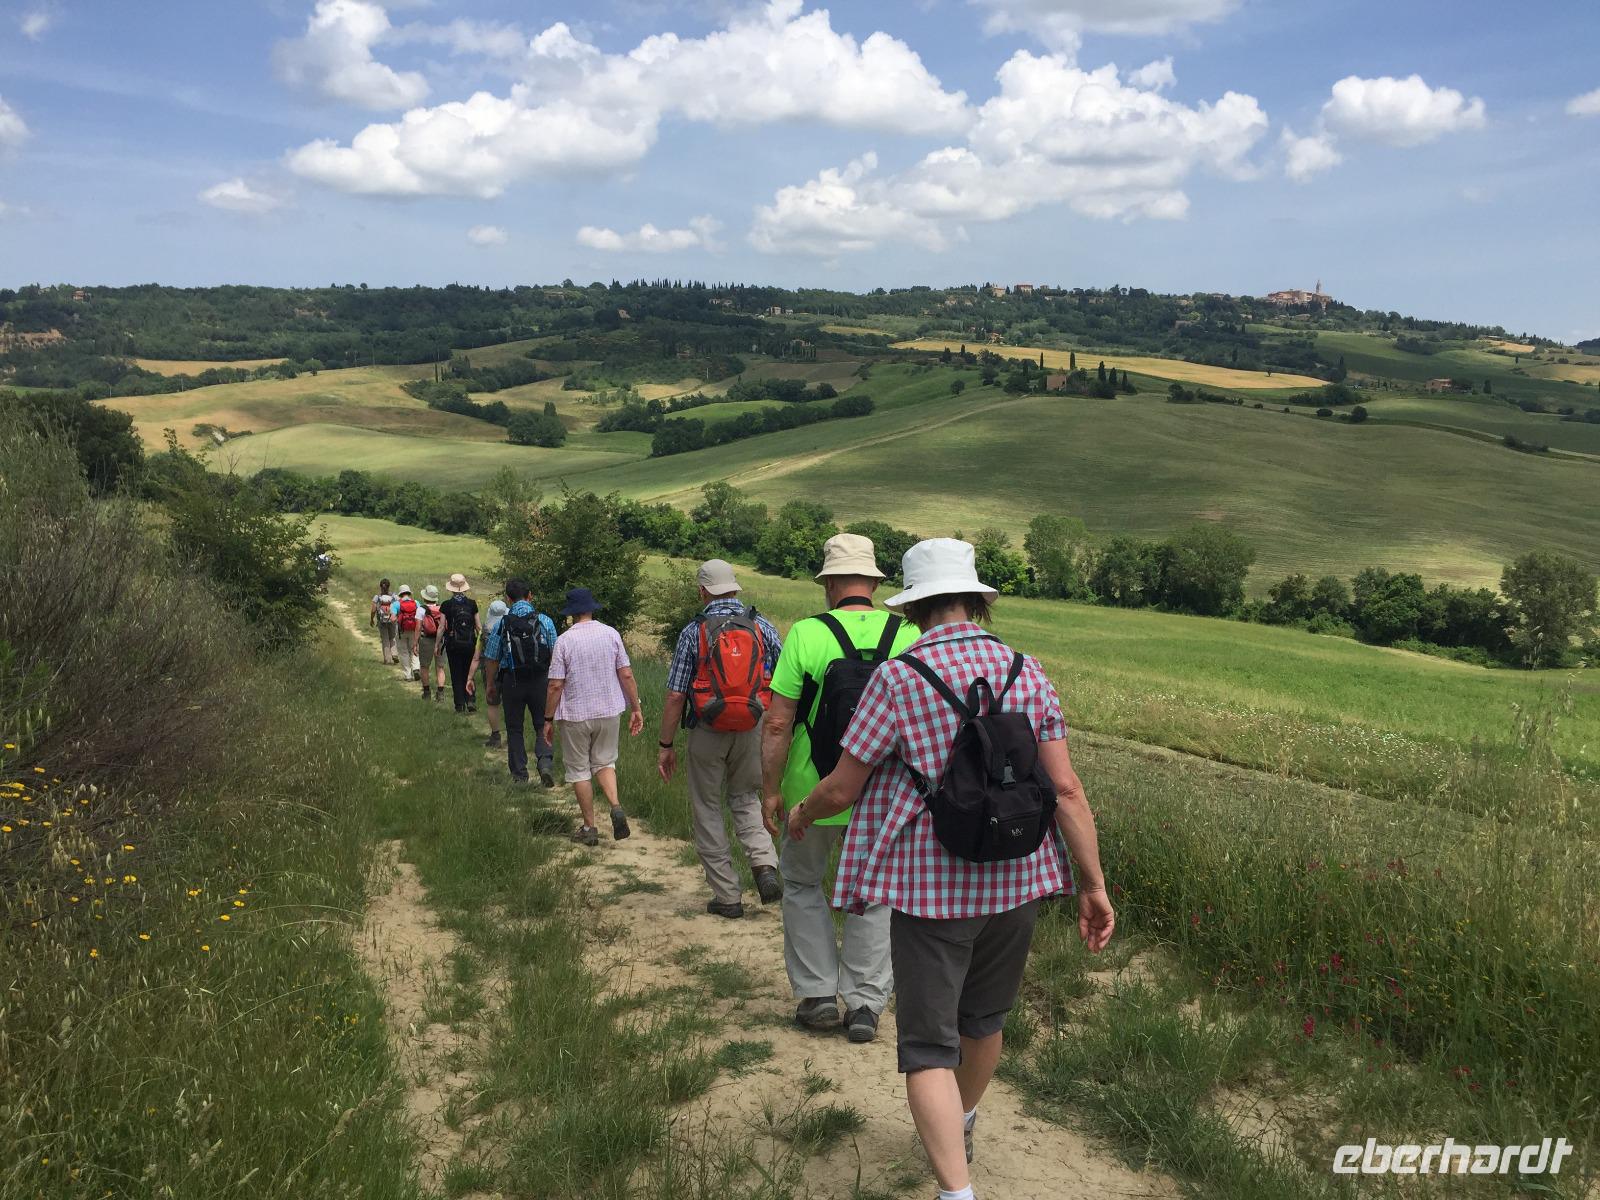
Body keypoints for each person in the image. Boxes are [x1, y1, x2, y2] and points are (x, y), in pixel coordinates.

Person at [788, 539, 1114, 1200]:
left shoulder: (900, 677)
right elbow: (1068, 790)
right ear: (977, 601)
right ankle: (961, 1119)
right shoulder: (1027, 670)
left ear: (913, 605)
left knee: (929, 1047)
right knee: (984, 1023)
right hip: (1020, 879)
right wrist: (1094, 884)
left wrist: (802, 811)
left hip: (931, 891)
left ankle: (955, 1192)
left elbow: (845, 787)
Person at [761, 533, 919, 1043]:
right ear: (873, 582)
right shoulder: (908, 633)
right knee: (874, 896)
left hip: (814, 787)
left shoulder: (806, 634)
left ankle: (818, 996)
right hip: (884, 792)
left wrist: (770, 790)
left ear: (829, 583)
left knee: (804, 885)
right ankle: (866, 1004)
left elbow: (778, 724)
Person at [657, 559, 784, 919]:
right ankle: (764, 866)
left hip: (707, 730)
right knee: (745, 797)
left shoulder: (692, 632)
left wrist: (665, 746)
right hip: (751, 728)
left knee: (708, 808)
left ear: (702, 591)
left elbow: (675, 696)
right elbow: (783, 683)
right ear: (734, 588)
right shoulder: (762, 626)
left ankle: (727, 896)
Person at [541, 587, 645, 847]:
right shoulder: (611, 634)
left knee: (579, 770)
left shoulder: (564, 640)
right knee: (605, 762)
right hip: (609, 710)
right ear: (591, 609)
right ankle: (616, 805)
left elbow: (555, 685)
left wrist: (547, 719)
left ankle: (589, 827)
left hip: (576, 714)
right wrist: (635, 708)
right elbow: (627, 674)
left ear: (571, 614)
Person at [482, 579, 558, 787]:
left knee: (514, 728)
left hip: (512, 681)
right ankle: (544, 763)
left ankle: (519, 775)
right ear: (530, 595)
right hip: (540, 680)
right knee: (542, 723)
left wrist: (490, 684)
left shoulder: (502, 623)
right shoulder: (545, 621)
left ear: (508, 598)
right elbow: (555, 653)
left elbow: (491, 656)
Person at [439, 574, 481, 714]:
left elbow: (441, 627)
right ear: (464, 588)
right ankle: (470, 699)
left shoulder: (446, 605)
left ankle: (459, 704)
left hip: (453, 644)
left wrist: (437, 644)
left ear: (451, 588)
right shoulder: (472, 604)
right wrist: (480, 643)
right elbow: (478, 626)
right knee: (469, 672)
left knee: (456, 673)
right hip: (470, 643)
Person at [472, 598, 510, 748]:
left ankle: (495, 736)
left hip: (490, 671)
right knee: (510, 704)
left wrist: (471, 677)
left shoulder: (486, 630)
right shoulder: (511, 627)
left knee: (493, 704)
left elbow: (478, 656)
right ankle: (513, 736)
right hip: (508, 670)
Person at [417, 585, 448, 701]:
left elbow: (418, 627)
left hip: (426, 640)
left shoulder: (421, 609)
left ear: (425, 597)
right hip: (440, 640)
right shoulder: (442, 608)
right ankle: (440, 693)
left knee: (424, 666)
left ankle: (426, 692)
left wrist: (415, 643)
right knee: (440, 667)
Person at [393, 585, 421, 680]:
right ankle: (416, 668)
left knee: (403, 652)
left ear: (400, 594)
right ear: (409, 593)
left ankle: (408, 675)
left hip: (401, 631)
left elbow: (393, 618)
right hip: (414, 630)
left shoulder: (396, 604)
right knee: (414, 649)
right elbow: (421, 615)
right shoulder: (416, 602)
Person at [371, 579, 399, 665]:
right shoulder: (394, 596)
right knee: (392, 637)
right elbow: (399, 606)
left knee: (385, 639)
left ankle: (388, 659)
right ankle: (394, 654)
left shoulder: (377, 597)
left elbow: (373, 609)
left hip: (382, 621)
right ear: (389, 586)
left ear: (380, 587)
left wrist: (371, 619)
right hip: (392, 620)